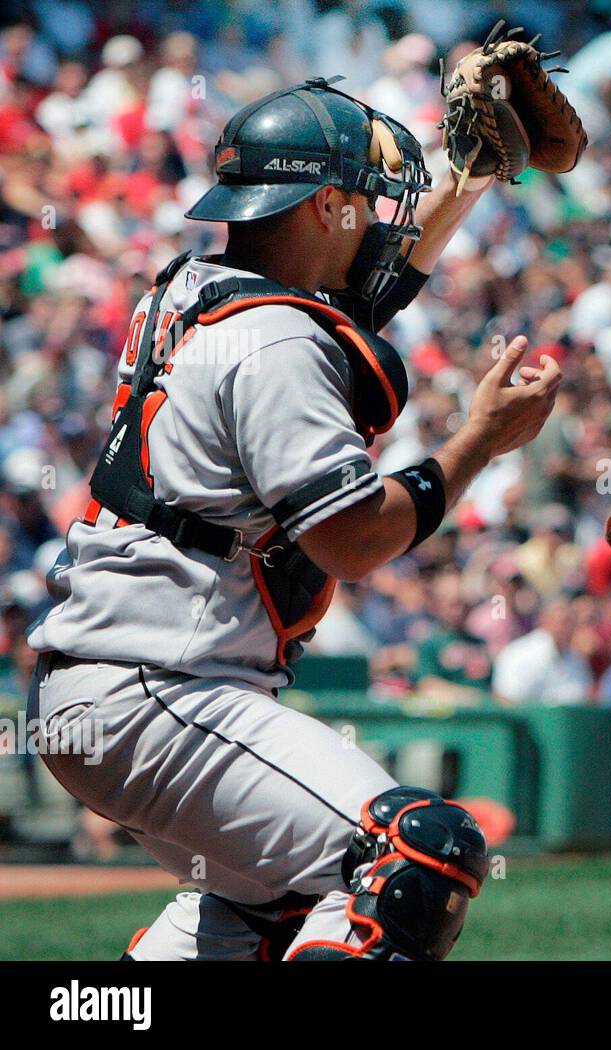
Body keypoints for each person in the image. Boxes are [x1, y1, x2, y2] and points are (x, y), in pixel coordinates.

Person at [26, 78, 563, 960]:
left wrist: (463, 183)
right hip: (158, 687)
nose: (384, 216)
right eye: (364, 197)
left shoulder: (193, 291)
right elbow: (351, 537)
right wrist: (477, 443)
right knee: (416, 852)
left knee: (279, 902)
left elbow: (354, 298)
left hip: (114, 682)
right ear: (324, 205)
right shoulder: (276, 340)